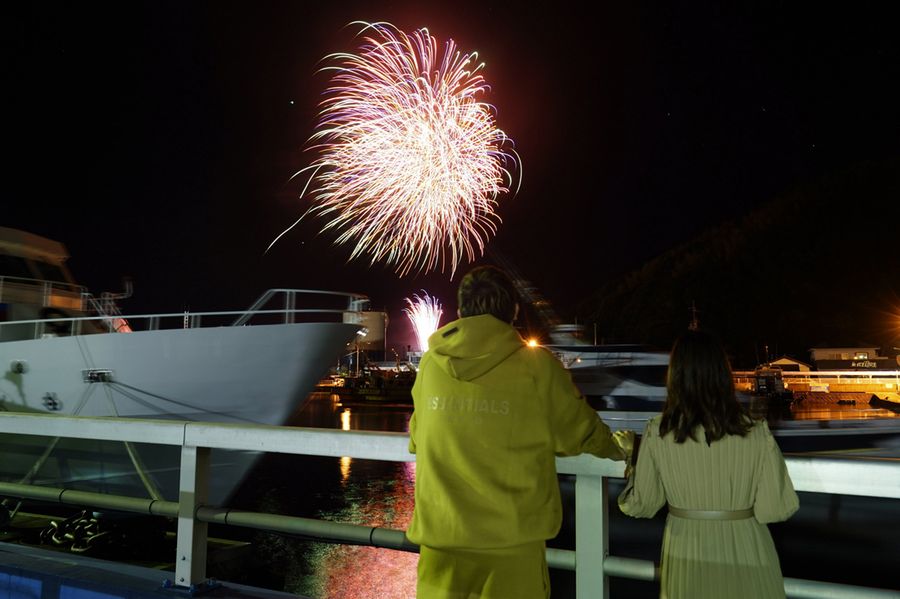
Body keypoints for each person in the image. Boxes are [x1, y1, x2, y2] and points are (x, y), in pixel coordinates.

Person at [406, 265, 626, 599]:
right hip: (511, 544)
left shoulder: (431, 365)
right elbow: (578, 433)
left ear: (462, 312)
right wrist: (619, 446)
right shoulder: (537, 367)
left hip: (440, 542)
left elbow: (417, 438)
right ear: (514, 312)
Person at [617, 329, 799, 599]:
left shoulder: (658, 432)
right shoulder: (756, 431)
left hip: (686, 555)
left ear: (675, 376)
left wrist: (633, 463)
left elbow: (643, 505)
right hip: (749, 553)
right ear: (723, 375)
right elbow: (776, 508)